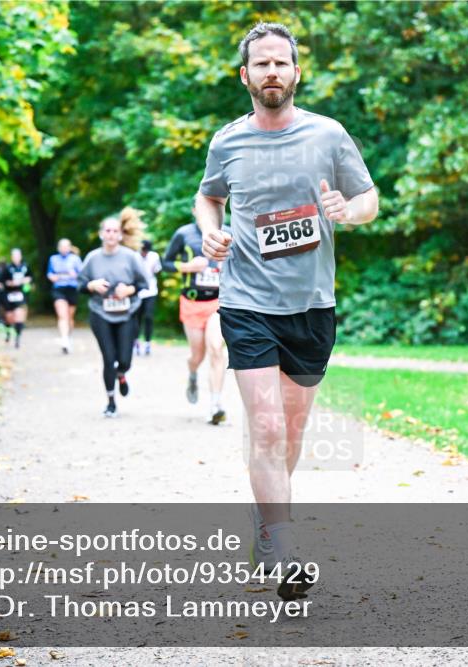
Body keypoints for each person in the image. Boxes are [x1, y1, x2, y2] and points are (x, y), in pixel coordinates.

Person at [195, 22, 378, 600]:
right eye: (261, 63)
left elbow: (369, 198)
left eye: (281, 63)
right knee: (267, 425)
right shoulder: (228, 141)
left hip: (311, 305)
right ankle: (283, 545)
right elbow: (208, 195)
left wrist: (347, 212)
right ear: (244, 75)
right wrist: (211, 233)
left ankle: (266, 519)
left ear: (296, 72)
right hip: (246, 300)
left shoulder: (328, 135)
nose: (272, 72)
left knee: (290, 432)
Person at [78, 216, 149, 418]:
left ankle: (122, 374)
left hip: (127, 313)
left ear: (120, 235)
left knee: (124, 360)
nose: (110, 234)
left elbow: (144, 285)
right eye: (107, 230)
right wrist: (91, 286)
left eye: (114, 231)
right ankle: (110, 402)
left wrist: (129, 289)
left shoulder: (131, 257)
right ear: (101, 233)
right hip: (100, 313)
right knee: (109, 358)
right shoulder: (92, 258)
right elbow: (80, 285)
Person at [162, 211, 228, 425]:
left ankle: (215, 406)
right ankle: (192, 373)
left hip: (218, 303)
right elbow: (166, 264)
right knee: (197, 356)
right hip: (192, 303)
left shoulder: (229, 232)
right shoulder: (184, 234)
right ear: (194, 211)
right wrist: (188, 267)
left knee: (216, 350)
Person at [47, 238, 83, 354]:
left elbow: (82, 274)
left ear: (69, 247)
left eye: (66, 246)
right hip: (59, 289)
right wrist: (52, 277)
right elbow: (49, 273)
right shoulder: (53, 259)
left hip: (72, 289)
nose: (63, 248)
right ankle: (64, 340)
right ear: (58, 248)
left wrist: (75, 275)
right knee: (62, 316)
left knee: (69, 317)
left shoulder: (75, 259)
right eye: (61, 246)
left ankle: (67, 336)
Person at [0, 248, 32, 348]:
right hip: (8, 294)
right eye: (14, 256)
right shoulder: (7, 268)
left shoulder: (25, 267)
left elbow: (30, 278)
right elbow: (2, 281)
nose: (16, 258)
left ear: (20, 256)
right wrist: (10, 283)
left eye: (18, 256)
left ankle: (18, 337)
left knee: (19, 314)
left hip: (20, 294)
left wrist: (25, 281)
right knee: (9, 317)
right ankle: (8, 333)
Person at [135, 239, 162, 356]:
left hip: (150, 290)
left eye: (146, 251)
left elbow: (157, 270)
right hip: (137, 291)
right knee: (137, 318)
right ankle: (135, 342)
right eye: (143, 251)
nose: (144, 253)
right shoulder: (134, 256)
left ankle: (147, 342)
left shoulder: (154, 256)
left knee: (148, 317)